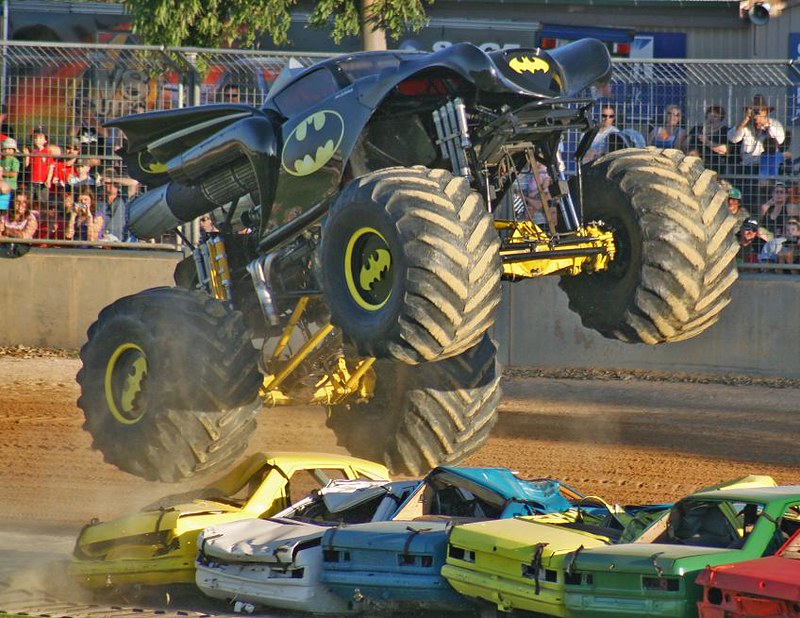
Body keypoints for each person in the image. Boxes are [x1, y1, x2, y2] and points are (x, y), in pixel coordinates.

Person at [727, 94, 785, 209]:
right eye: (754, 112)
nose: (756, 116)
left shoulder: (774, 124)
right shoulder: (746, 125)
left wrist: (766, 125)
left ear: (765, 112)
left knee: (760, 195)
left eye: (759, 112)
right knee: (743, 193)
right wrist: (745, 120)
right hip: (747, 166)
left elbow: (779, 140)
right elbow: (732, 138)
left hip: (765, 167)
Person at [687, 105, 729, 174]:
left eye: (715, 116)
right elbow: (686, 143)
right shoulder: (698, 128)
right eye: (710, 116)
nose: (711, 119)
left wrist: (707, 142)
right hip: (694, 163)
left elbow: (725, 150)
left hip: (714, 165)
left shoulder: (724, 131)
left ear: (720, 118)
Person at [0, 137, 19, 210]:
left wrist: (2, 173)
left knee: (7, 206)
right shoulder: (1, 160)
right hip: (1, 186)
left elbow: (14, 173)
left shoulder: (14, 161)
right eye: (5, 149)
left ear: (13, 151)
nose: (6, 151)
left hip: (11, 187)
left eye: (9, 149)